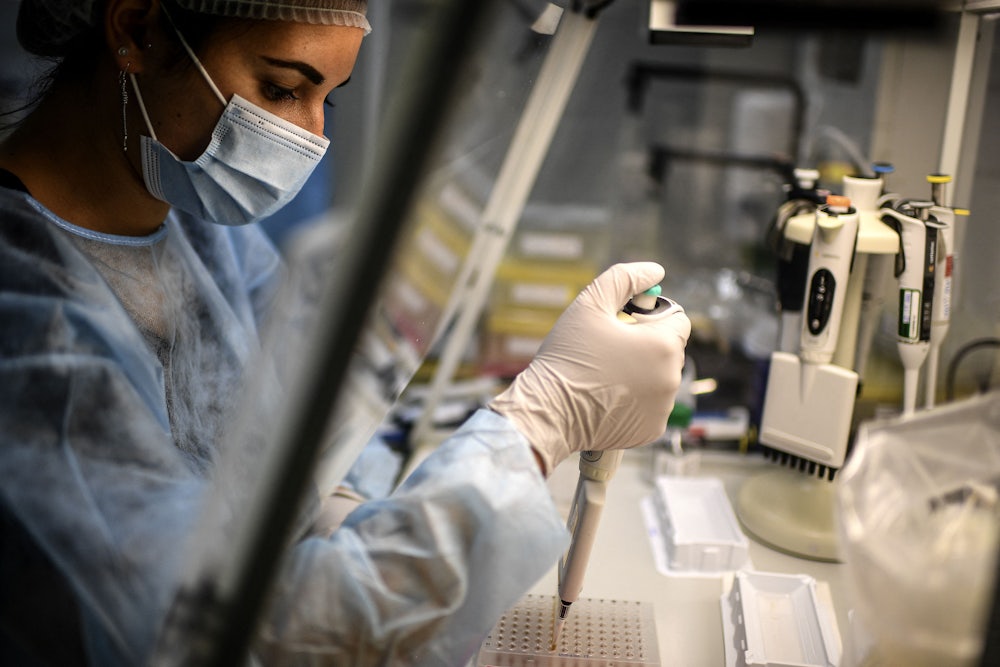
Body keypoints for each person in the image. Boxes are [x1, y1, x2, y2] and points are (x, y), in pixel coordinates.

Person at [0, 0, 692, 665]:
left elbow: (296, 453)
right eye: (281, 88)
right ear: (138, 29)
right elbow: (244, 638)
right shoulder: (26, 335)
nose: (312, 136)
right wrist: (544, 419)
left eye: (328, 97)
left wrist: (354, 514)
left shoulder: (194, 233)